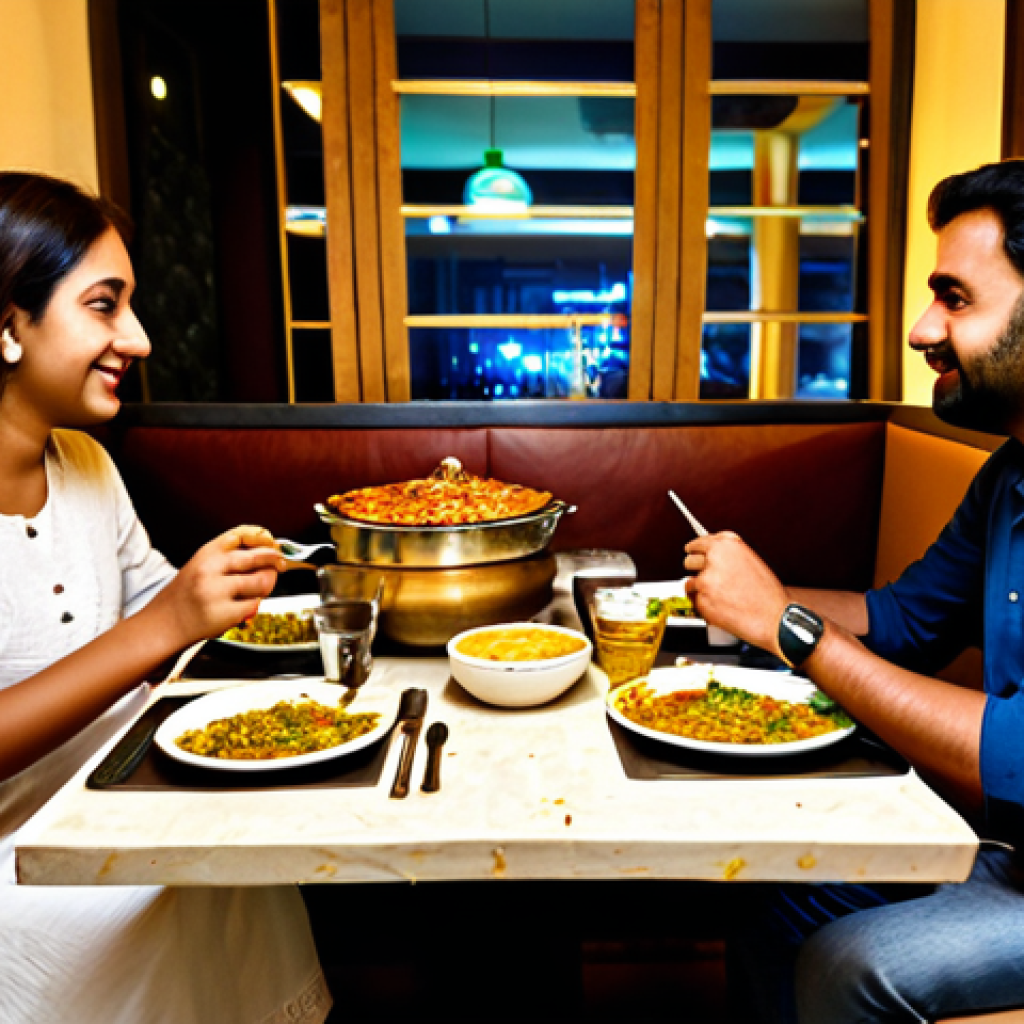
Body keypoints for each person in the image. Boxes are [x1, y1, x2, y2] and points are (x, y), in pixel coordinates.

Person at [686, 158, 1024, 1024]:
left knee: (851, 963)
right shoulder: (1007, 476)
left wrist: (786, 628)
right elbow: (905, 621)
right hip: (1002, 848)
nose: (921, 329)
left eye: (956, 298)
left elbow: (1015, 755)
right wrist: (749, 593)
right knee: (764, 885)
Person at [0, 172, 331, 1024]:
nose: (140, 339)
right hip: (28, 869)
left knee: (244, 848)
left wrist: (297, 583)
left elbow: (171, 616)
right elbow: (158, 625)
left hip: (133, 801)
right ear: (7, 326)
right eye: (105, 306)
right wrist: (165, 623)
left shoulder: (86, 466)